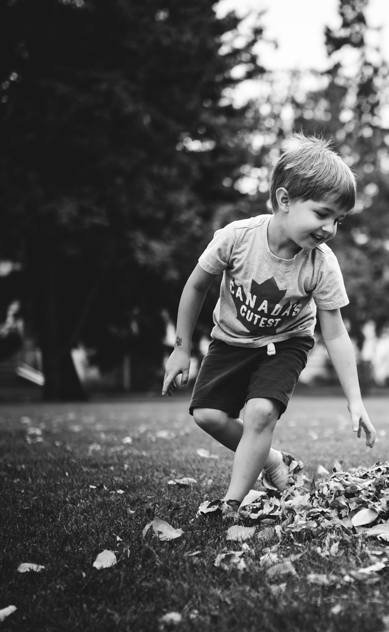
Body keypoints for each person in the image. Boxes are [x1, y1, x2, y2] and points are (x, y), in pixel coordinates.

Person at [161, 134, 376, 516]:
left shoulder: (321, 264)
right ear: (284, 200)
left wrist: (355, 400)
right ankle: (273, 460)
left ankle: (231, 504)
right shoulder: (236, 239)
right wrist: (180, 348)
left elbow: (336, 333)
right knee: (208, 416)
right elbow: (196, 286)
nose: (329, 228)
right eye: (322, 214)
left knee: (260, 413)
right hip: (230, 340)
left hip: (286, 344)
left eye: (338, 220)